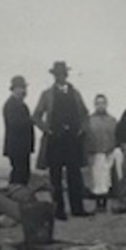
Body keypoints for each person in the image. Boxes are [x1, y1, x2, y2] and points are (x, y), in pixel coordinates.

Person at [33, 60, 91, 220]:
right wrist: (47, 130)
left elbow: (85, 114)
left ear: (66, 75)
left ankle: (77, 209)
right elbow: (36, 116)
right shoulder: (47, 94)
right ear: (54, 76)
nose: (60, 77)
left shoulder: (75, 93)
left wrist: (82, 129)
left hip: (73, 140)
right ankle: (58, 211)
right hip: (55, 141)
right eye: (57, 74)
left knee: (75, 176)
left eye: (63, 74)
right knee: (55, 177)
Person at [86, 94, 120, 211]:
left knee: (106, 179)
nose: (100, 105)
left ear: (106, 104)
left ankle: (104, 203)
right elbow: (85, 137)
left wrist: (112, 148)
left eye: (102, 103)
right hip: (94, 153)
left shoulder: (112, 120)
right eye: (98, 103)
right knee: (96, 180)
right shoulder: (89, 121)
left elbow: (117, 136)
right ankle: (97, 204)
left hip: (107, 153)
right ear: (95, 105)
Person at [2, 75, 35, 186]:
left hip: (23, 147)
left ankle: (17, 193)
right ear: (14, 89)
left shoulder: (21, 105)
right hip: (17, 147)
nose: (24, 91)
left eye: (24, 87)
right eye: (21, 88)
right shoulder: (10, 105)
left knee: (23, 174)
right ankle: (15, 193)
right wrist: (31, 120)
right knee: (19, 174)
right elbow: (14, 123)